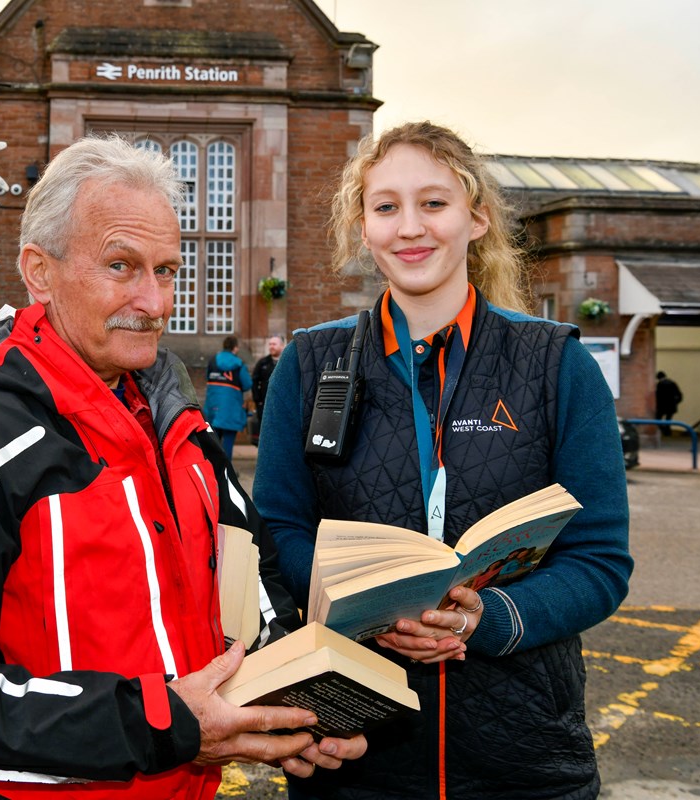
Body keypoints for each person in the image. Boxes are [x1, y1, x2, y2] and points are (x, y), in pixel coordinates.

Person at [0, 135, 366, 800]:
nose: (155, 303)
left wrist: (301, 706)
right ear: (39, 271)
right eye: (122, 266)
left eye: (166, 270)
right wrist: (161, 724)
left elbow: (254, 574)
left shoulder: (177, 424)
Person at [253, 121, 633, 799]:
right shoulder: (311, 365)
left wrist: (485, 618)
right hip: (354, 748)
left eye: (434, 203)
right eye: (386, 206)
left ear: (476, 218)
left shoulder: (556, 364)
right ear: (363, 227)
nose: (410, 228)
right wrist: (367, 608)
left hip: (524, 758)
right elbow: (278, 537)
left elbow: (600, 560)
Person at [205, 335, 253, 458]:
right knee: (228, 444)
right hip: (231, 409)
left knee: (213, 444)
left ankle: (214, 472)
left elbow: (207, 378)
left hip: (213, 407)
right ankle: (227, 473)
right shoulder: (238, 364)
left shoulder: (213, 360)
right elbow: (247, 384)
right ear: (235, 348)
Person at [250, 334, 286, 446]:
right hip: (264, 403)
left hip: (282, 404)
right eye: (270, 344)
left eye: (274, 344)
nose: (271, 346)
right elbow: (254, 381)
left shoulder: (287, 362)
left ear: (281, 346)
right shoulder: (263, 363)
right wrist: (257, 400)